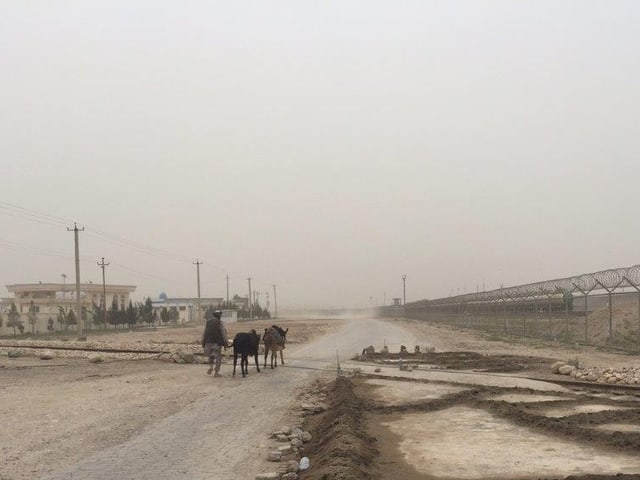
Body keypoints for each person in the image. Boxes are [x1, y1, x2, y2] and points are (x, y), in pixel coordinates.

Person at [202, 310, 228, 377]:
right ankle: (216, 372)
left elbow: (204, 333)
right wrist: (226, 342)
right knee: (218, 357)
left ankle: (210, 367)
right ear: (219, 316)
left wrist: (203, 342)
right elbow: (223, 333)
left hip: (208, 342)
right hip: (217, 342)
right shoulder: (220, 323)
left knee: (211, 355)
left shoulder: (207, 322)